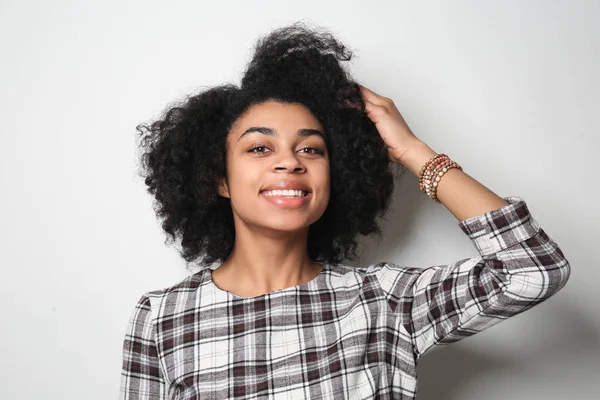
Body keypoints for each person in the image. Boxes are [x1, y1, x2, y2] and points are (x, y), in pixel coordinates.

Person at [119, 22, 571, 399]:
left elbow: (532, 269)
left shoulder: (384, 301)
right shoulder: (163, 318)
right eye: (260, 147)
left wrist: (413, 151)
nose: (290, 161)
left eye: (311, 150)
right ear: (218, 178)